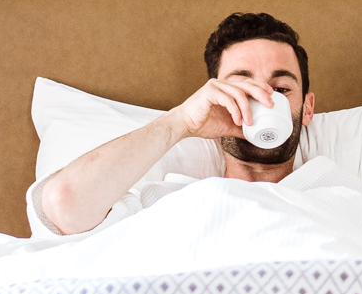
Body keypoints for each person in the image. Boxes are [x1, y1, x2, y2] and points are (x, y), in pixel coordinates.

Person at [34, 12, 315, 237]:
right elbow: (63, 203)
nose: (262, 100)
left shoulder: (342, 198)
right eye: (242, 88)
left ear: (307, 108)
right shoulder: (166, 203)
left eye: (281, 90)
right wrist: (180, 122)